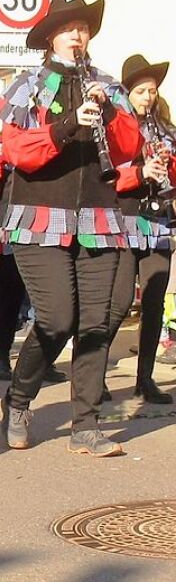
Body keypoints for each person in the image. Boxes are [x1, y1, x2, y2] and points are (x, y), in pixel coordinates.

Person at [0, 0, 141, 457]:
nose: (77, 36)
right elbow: (17, 151)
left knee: (96, 323)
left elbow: (126, 149)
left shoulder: (108, 84)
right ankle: (18, 399)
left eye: (83, 28)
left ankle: (86, 424)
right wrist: (66, 126)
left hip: (98, 216)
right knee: (57, 319)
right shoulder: (28, 85)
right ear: (51, 37)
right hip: (40, 217)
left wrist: (110, 111)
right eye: (68, 28)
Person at [104, 54, 176, 404]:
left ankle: (144, 379)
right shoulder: (117, 127)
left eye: (152, 90)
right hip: (125, 217)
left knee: (154, 302)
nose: (148, 96)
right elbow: (105, 179)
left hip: (159, 220)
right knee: (117, 303)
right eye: (141, 90)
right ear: (128, 93)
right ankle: (94, 376)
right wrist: (139, 172)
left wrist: (168, 163)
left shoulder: (166, 130)